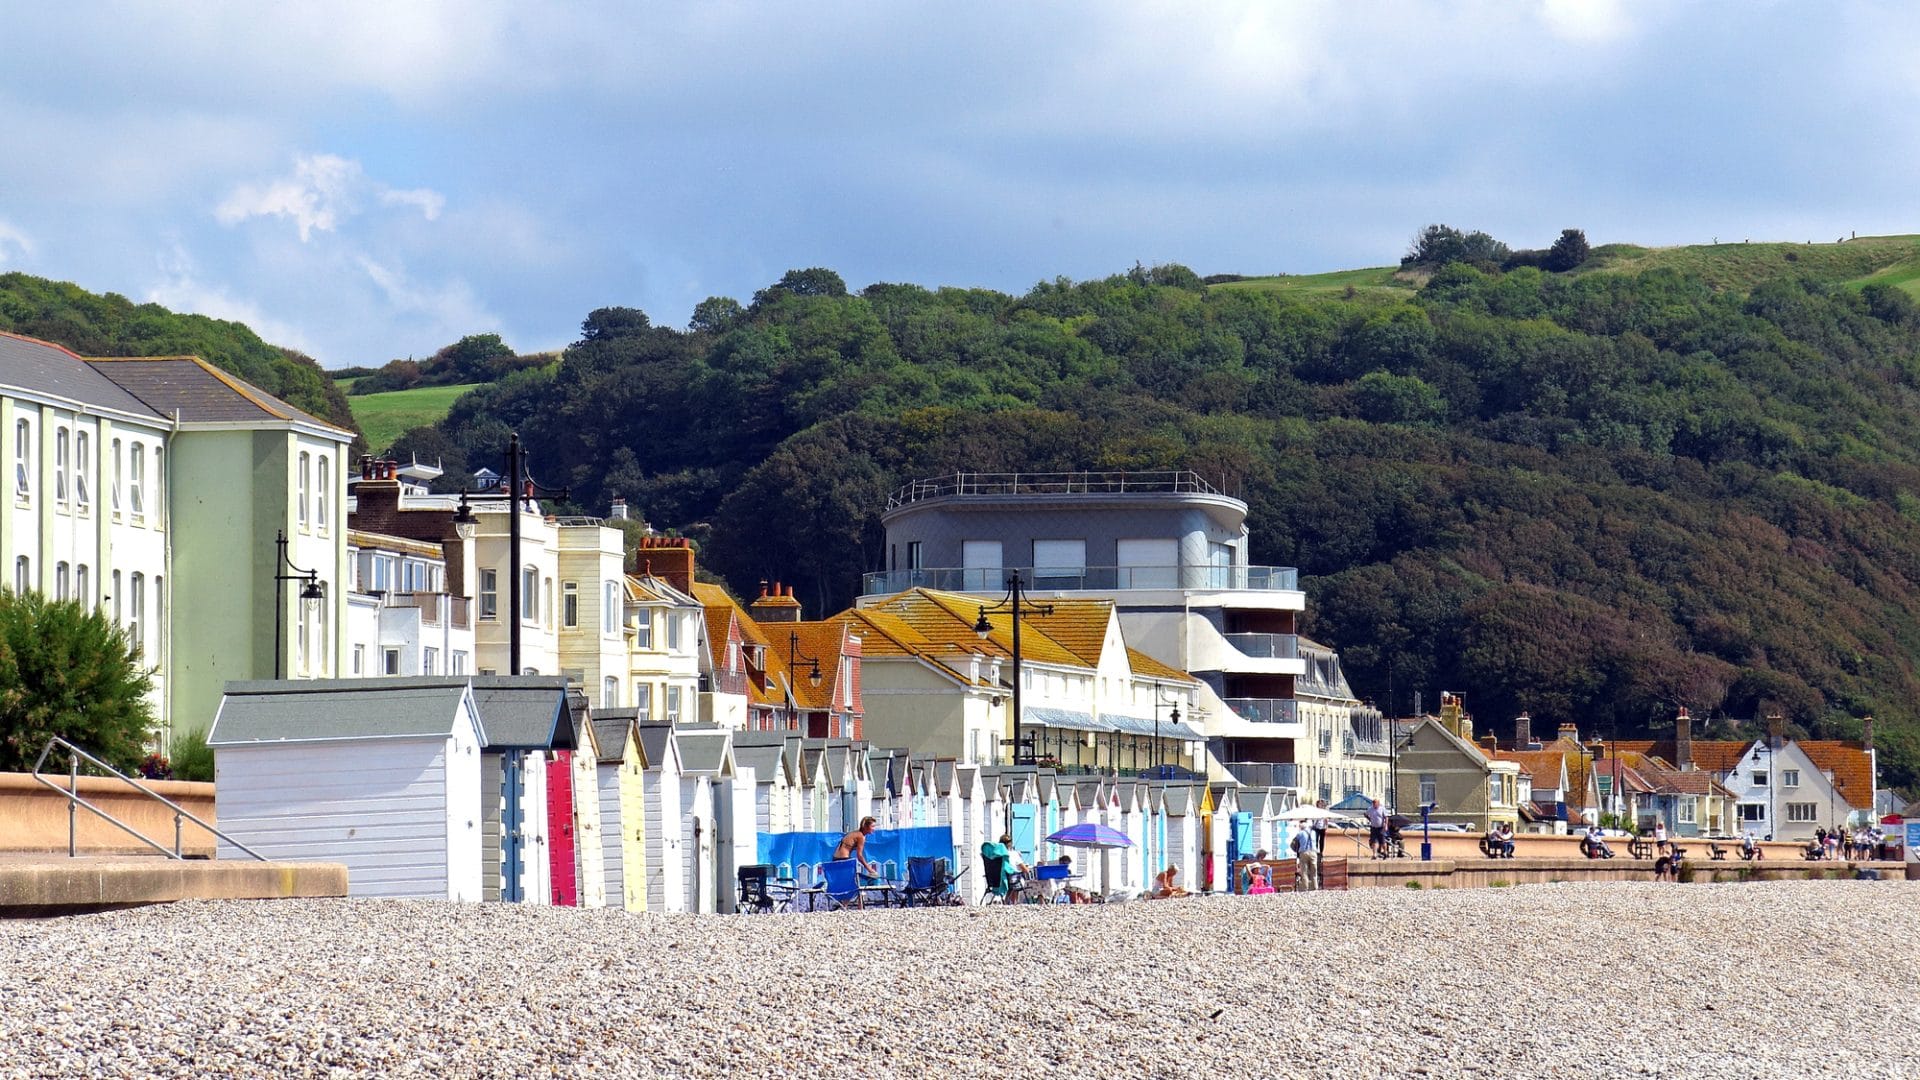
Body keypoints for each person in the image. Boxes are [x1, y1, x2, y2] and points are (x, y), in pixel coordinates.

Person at [980, 833, 1024, 900]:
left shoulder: (992, 856)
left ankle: (1008, 901)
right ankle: (1014, 902)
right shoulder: (1009, 855)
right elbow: (1011, 869)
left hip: (992, 881)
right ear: (1010, 844)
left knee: (1013, 879)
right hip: (1004, 881)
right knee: (1017, 878)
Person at [1291, 824, 1319, 890]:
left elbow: (1293, 843)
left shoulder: (1300, 833)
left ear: (1301, 828)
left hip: (1303, 852)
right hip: (1313, 852)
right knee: (1314, 871)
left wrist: (1296, 850)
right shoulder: (1314, 833)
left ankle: (1305, 887)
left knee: (1304, 871)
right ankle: (1315, 886)